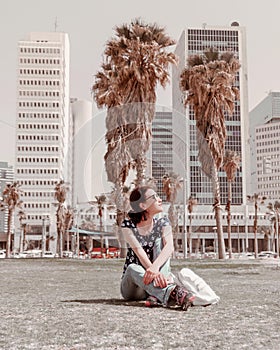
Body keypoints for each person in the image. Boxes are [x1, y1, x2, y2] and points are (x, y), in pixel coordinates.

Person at [120, 185, 195, 310]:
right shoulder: (127, 225)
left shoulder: (163, 223)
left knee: (162, 242)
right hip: (134, 287)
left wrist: (155, 270)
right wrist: (152, 270)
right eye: (154, 197)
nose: (159, 199)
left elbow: (170, 247)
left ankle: (157, 295)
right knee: (132, 268)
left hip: (155, 282)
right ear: (143, 205)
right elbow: (138, 250)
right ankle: (171, 292)